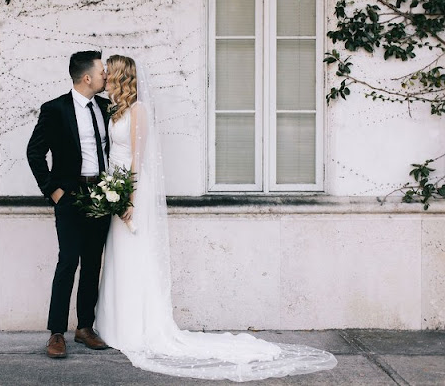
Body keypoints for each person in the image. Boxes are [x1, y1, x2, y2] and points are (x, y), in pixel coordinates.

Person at [94, 55, 338, 381]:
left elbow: (138, 160)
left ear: (121, 76)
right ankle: (115, 325)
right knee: (117, 257)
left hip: (131, 191)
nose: (105, 75)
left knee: (133, 257)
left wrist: (132, 200)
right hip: (116, 188)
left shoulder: (138, 110)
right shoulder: (115, 109)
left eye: (110, 71)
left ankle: (135, 329)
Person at [27, 50, 112, 359]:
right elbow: (34, 153)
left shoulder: (106, 108)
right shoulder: (55, 110)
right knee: (68, 263)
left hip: (101, 197)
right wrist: (54, 192)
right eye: (103, 71)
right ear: (86, 77)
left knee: (93, 264)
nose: (107, 76)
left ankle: (85, 327)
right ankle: (56, 332)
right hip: (70, 197)